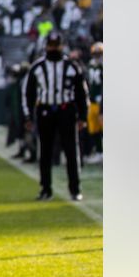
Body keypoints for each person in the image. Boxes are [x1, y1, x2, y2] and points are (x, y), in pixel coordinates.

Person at [23, 33, 90, 201]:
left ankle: (75, 189)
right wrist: (28, 117)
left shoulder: (72, 67)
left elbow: (82, 93)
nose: (54, 48)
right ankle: (46, 189)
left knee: (70, 151)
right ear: (46, 46)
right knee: (45, 152)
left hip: (66, 110)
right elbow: (29, 94)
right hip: (45, 110)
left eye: (56, 45)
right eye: (51, 45)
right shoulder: (37, 67)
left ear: (62, 46)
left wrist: (83, 116)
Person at [85, 42, 103, 165]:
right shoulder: (90, 65)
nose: (97, 56)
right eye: (95, 53)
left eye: (99, 54)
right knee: (93, 127)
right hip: (92, 102)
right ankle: (99, 152)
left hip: (102, 101)